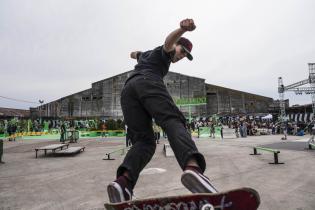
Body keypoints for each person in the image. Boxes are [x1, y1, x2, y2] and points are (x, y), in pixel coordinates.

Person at [107, 18, 217, 203]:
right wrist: (182, 30)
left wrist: (136, 54)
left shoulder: (148, 54)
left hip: (128, 90)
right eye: (182, 52)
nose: (181, 57)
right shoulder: (166, 50)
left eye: (184, 56)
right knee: (174, 121)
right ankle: (193, 168)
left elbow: (134, 53)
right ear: (177, 45)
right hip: (148, 82)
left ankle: (123, 183)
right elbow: (168, 43)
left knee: (144, 142)